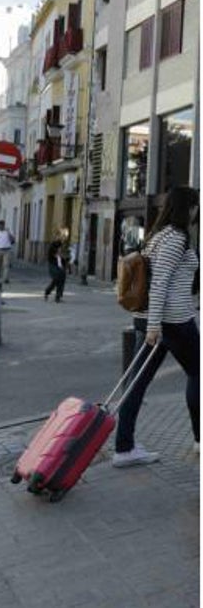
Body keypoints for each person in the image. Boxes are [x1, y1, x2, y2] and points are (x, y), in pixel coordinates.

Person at [113, 186, 200, 467]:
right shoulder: (176, 238)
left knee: (136, 384)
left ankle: (124, 449)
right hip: (172, 322)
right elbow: (160, 281)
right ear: (187, 208)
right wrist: (154, 327)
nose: (197, 211)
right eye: (195, 206)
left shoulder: (156, 236)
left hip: (153, 319)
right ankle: (200, 439)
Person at [44, 228, 68, 303]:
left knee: (62, 278)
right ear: (60, 236)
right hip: (53, 264)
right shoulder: (54, 244)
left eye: (66, 236)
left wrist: (66, 258)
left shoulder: (63, 244)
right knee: (56, 278)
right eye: (64, 236)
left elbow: (64, 255)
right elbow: (52, 254)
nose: (65, 238)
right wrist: (58, 254)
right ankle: (48, 291)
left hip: (61, 265)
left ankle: (58, 296)